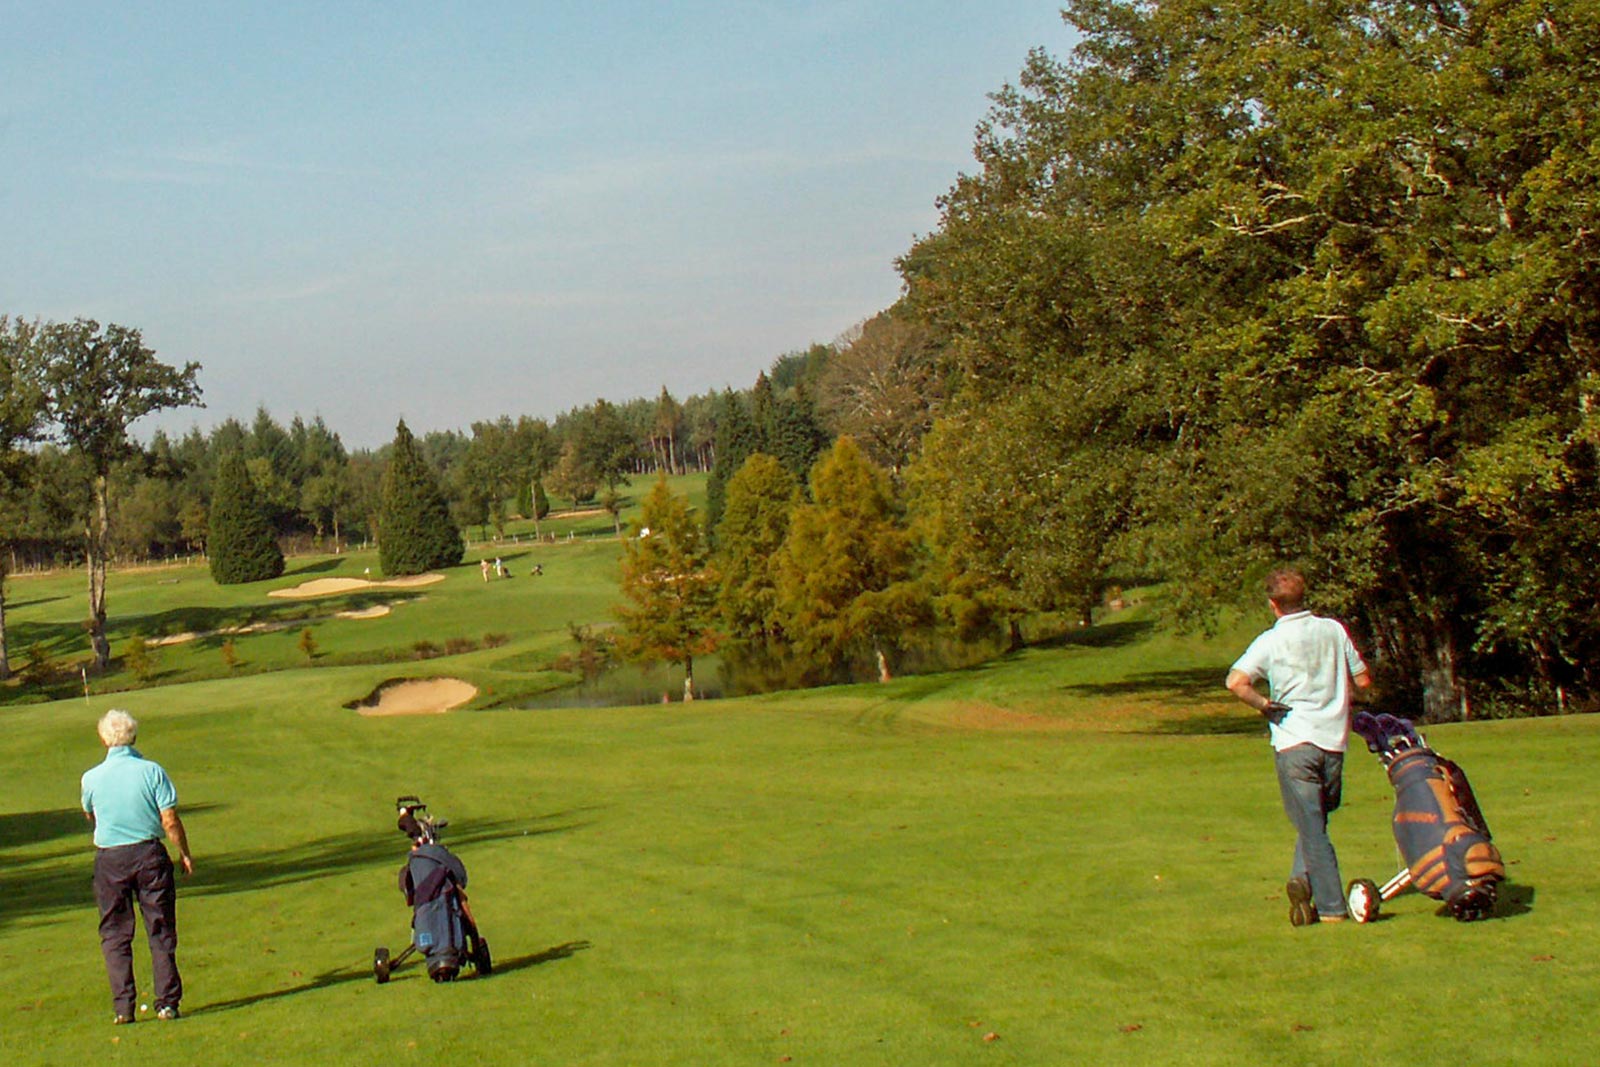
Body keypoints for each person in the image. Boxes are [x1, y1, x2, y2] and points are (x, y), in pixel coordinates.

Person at [1225, 568, 1371, 926]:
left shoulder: (1270, 641)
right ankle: (1302, 881)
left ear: (1273, 604)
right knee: (1316, 818)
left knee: (1312, 824)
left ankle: (1332, 908)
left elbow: (1236, 682)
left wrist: (1263, 705)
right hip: (1333, 739)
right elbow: (1363, 679)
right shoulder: (1333, 630)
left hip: (1293, 740)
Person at [80, 709, 195, 1023]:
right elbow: (169, 820)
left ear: (104, 739)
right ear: (134, 737)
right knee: (160, 928)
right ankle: (167, 1003)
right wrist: (184, 853)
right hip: (149, 856)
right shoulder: (152, 771)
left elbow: (90, 814)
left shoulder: (90, 778)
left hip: (110, 859)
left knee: (115, 934)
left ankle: (123, 1008)